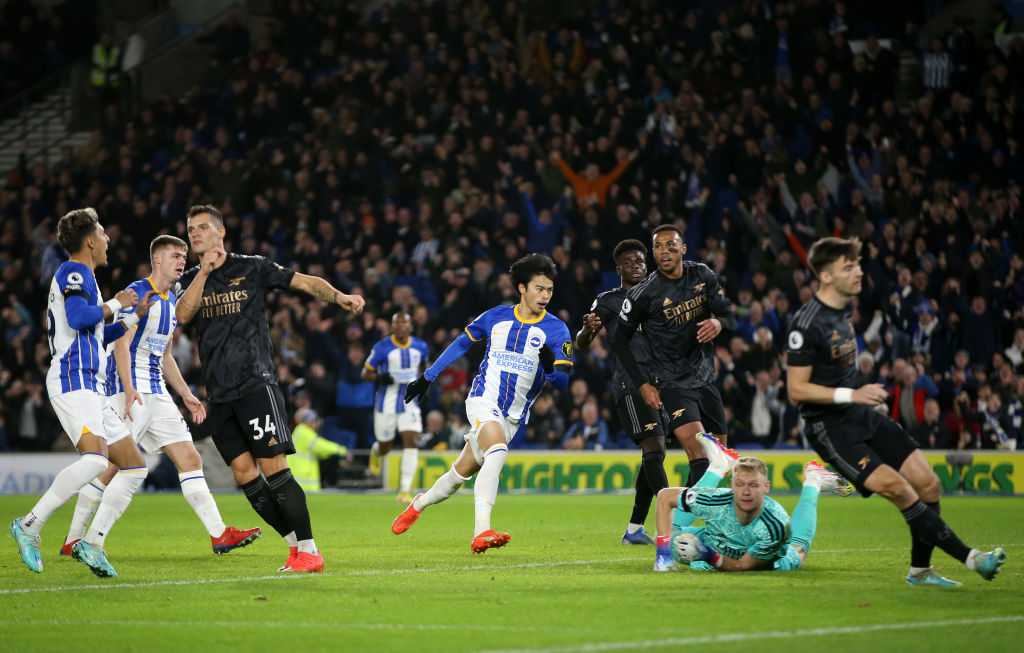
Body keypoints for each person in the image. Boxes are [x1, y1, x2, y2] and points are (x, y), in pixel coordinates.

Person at [786, 237, 1006, 586]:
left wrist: (864, 397)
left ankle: (920, 571)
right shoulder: (805, 322)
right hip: (830, 427)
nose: (859, 271)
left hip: (861, 414)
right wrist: (853, 394)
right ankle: (972, 558)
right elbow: (796, 388)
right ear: (825, 277)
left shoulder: (844, 310)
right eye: (848, 267)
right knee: (901, 489)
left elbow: (841, 368)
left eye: (857, 264)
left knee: (929, 484)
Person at [175, 204, 365, 573]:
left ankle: (310, 549)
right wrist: (205, 273)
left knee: (273, 467)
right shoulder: (190, 279)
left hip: (255, 383)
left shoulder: (251, 266)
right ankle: (296, 549)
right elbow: (183, 316)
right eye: (190, 229)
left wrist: (340, 297)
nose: (195, 234)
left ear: (220, 231)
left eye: (201, 227)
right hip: (219, 392)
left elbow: (307, 282)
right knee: (244, 473)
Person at [59, 235, 262, 557]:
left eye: (184, 256)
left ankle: (220, 534)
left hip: (158, 392)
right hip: (130, 391)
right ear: (157, 260)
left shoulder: (171, 300)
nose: (183, 261)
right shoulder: (138, 293)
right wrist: (127, 389)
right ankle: (77, 539)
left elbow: (165, 356)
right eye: (176, 256)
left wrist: (185, 395)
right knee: (114, 467)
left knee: (190, 459)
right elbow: (121, 344)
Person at [392, 254, 573, 553]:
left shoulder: (557, 330)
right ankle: (481, 531)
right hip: (482, 398)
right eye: (539, 289)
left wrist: (551, 367)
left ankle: (418, 503)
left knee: (457, 476)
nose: (545, 296)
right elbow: (461, 343)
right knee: (498, 453)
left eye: (550, 290)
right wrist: (428, 377)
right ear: (521, 288)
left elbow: (562, 382)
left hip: (513, 418)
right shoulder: (495, 317)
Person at [9, 208, 153, 578]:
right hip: (73, 379)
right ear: (90, 240)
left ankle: (92, 543)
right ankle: (29, 525)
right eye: (103, 233)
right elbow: (77, 319)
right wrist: (118, 303)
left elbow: (95, 333)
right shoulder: (74, 271)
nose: (107, 240)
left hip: (92, 383)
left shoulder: (87, 278)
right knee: (94, 462)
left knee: (134, 465)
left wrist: (134, 317)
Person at [612, 225, 736, 487]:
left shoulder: (702, 274)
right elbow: (619, 340)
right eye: (658, 246)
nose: (664, 251)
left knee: (721, 460)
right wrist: (643, 384)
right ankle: (685, 521)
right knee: (699, 451)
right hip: (671, 383)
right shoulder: (642, 294)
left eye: (671, 245)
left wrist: (719, 324)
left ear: (683, 248)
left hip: (705, 377)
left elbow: (729, 316)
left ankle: (681, 514)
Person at [575, 238, 668, 545]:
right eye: (628, 262)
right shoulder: (609, 300)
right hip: (630, 385)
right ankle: (672, 522)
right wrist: (589, 329)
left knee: (654, 452)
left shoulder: (658, 296)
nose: (635, 266)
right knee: (653, 447)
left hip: (660, 383)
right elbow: (582, 342)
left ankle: (634, 530)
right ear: (619, 269)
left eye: (640, 261)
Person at [653, 434, 853, 572]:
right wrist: (664, 556)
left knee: (798, 554)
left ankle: (813, 482)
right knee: (663, 536)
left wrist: (708, 556)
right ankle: (718, 466)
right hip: (712, 540)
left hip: (755, 559)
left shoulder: (775, 524)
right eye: (740, 484)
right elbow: (665, 497)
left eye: (753, 485)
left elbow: (742, 566)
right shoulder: (715, 499)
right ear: (732, 485)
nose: (746, 491)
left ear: (766, 487)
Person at [362, 311, 429, 504]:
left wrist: (424, 381)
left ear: (410, 326)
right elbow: (365, 373)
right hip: (386, 402)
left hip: (409, 401)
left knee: (411, 440)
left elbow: (425, 366)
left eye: (404, 323)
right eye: (396, 323)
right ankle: (376, 450)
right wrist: (380, 378)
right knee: (386, 447)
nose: (400, 327)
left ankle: (405, 491)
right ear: (392, 327)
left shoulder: (420, 346)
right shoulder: (382, 347)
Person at [288, 408, 352, 491]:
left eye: (315, 421)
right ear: (305, 422)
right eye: (312, 421)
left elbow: (321, 454)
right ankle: (331, 486)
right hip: (303, 484)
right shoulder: (303, 431)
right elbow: (321, 446)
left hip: (303, 483)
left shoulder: (303, 432)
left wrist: (340, 463)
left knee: (334, 458)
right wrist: (343, 451)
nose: (315, 424)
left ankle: (331, 486)